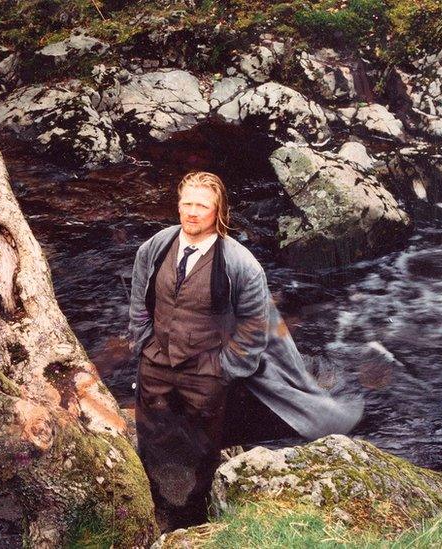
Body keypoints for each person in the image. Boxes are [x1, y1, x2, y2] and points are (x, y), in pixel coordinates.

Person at [127, 171, 362, 528]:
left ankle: (192, 521)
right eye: (186, 203)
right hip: (155, 363)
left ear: (218, 211)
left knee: (202, 448)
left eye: (202, 206)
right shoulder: (156, 247)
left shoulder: (240, 264)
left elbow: (256, 328)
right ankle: (154, 506)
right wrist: (144, 343)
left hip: (206, 371)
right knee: (152, 435)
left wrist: (223, 368)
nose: (192, 213)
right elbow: (140, 300)